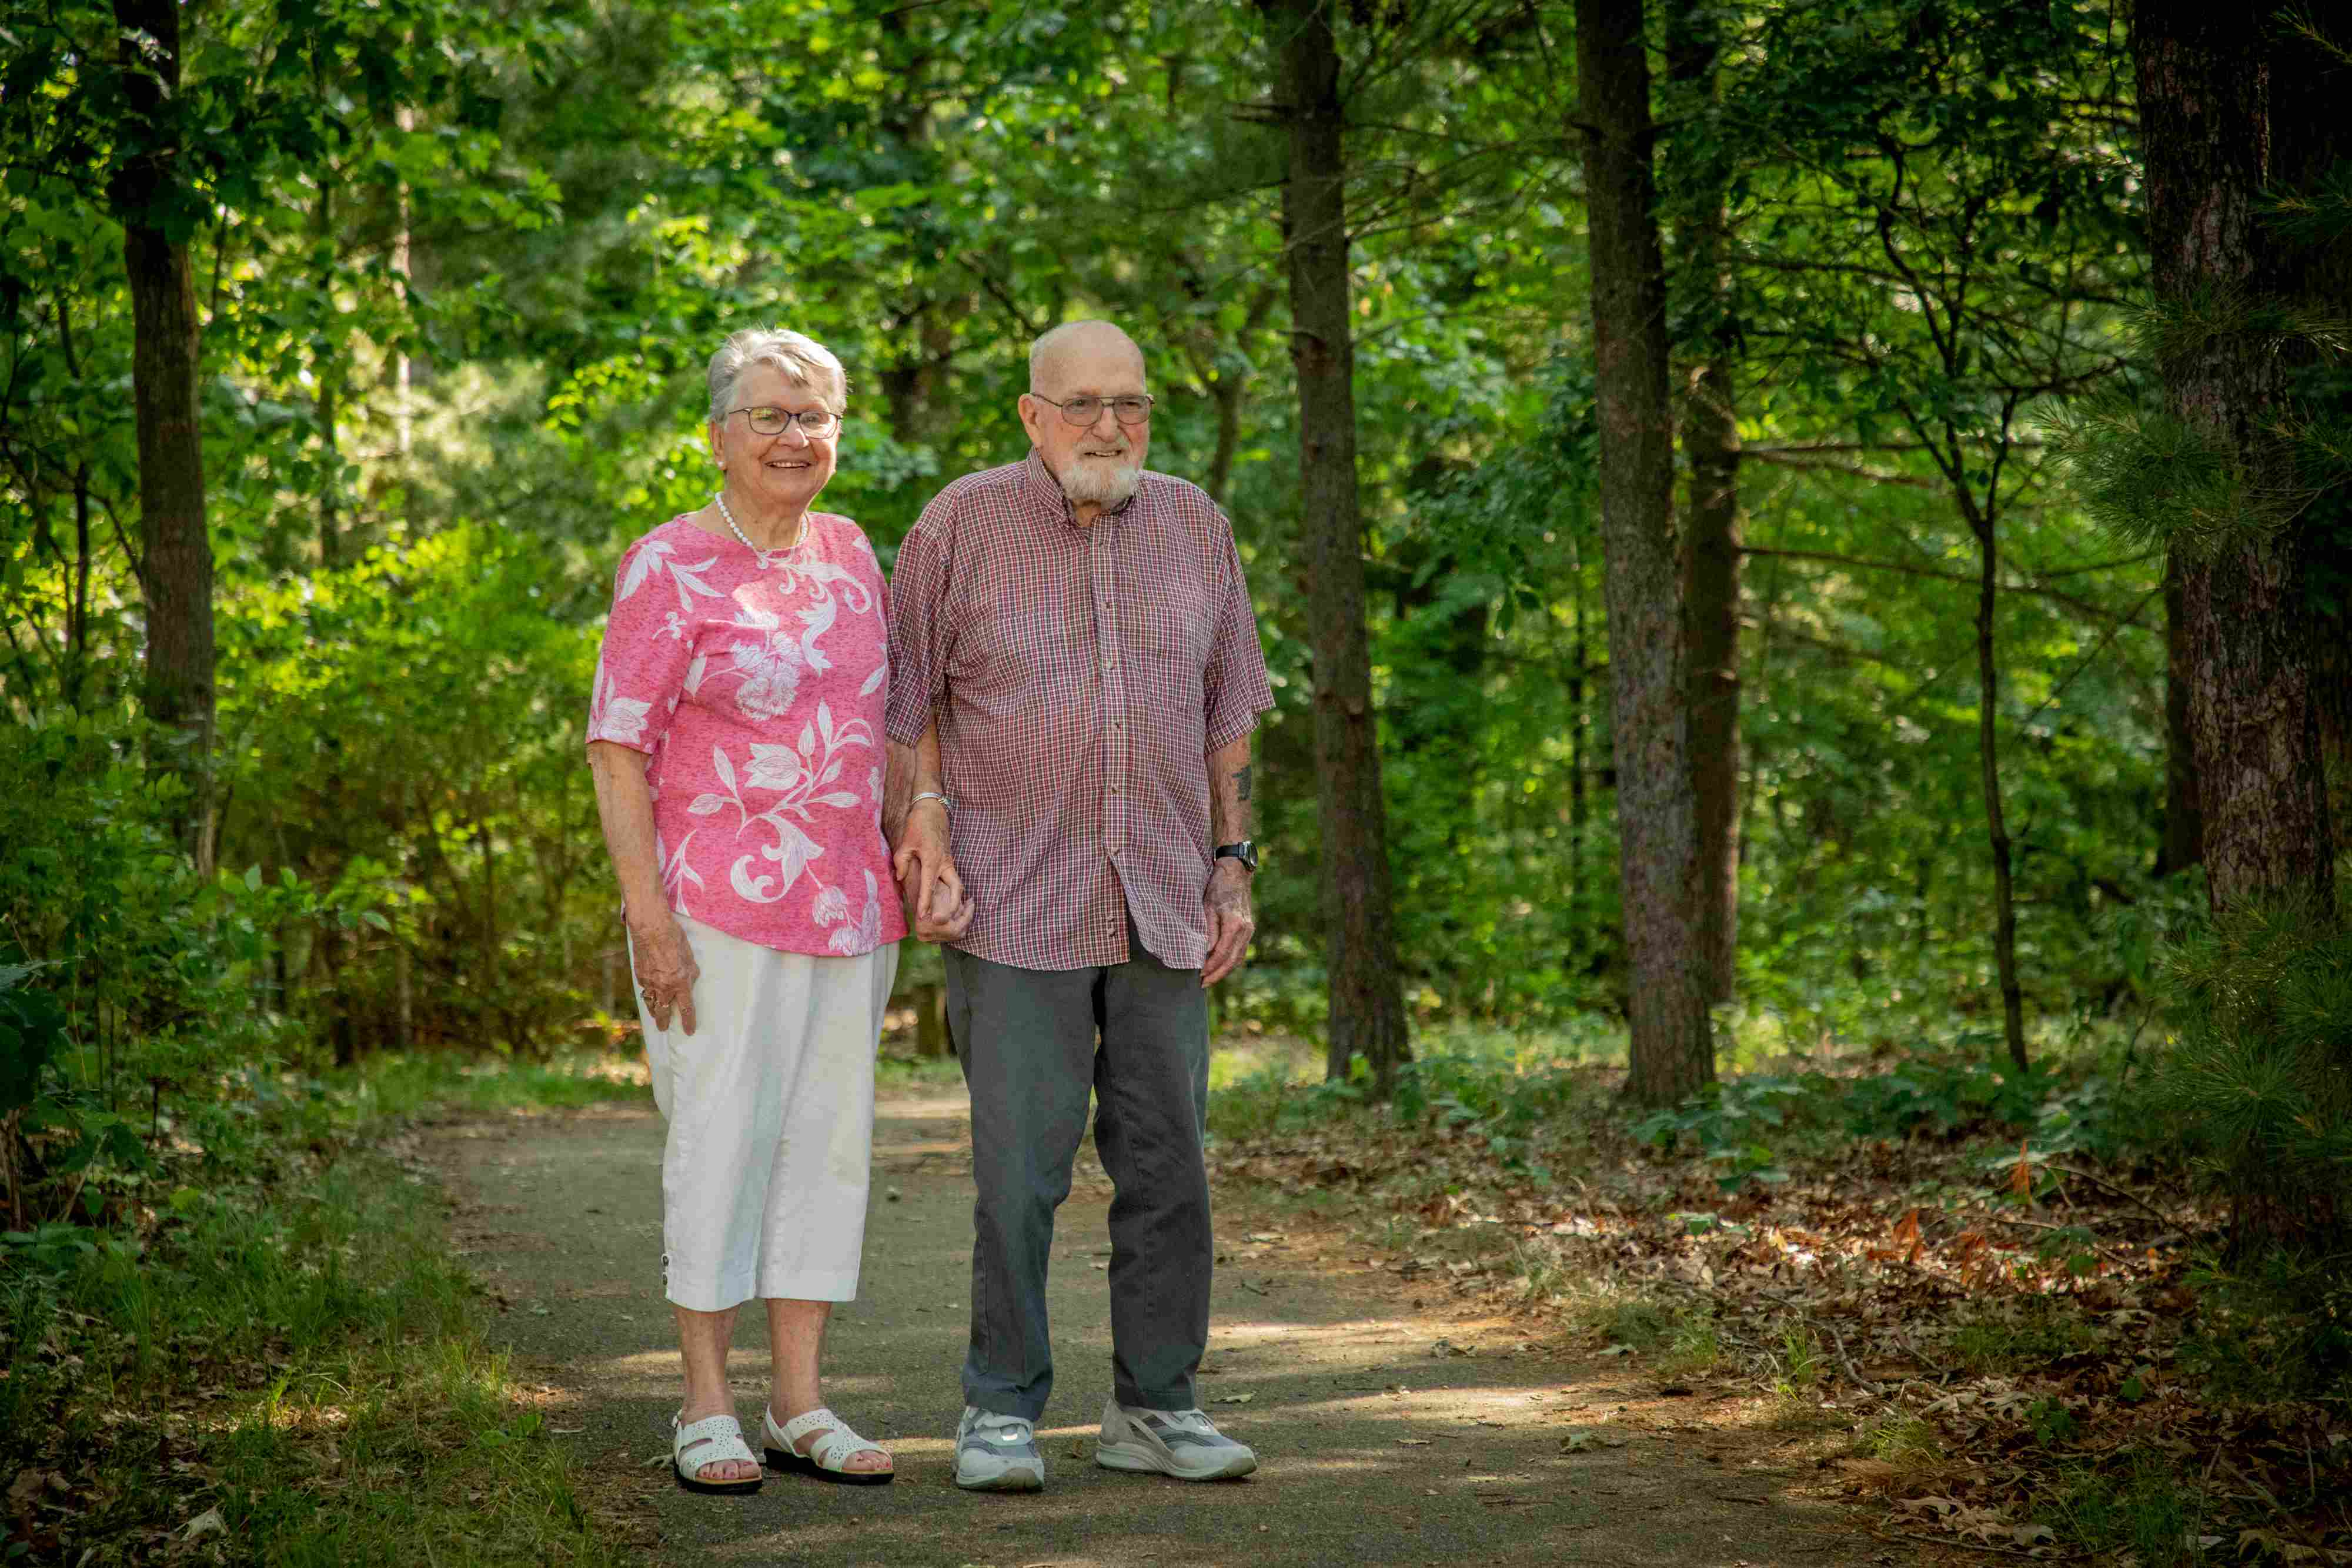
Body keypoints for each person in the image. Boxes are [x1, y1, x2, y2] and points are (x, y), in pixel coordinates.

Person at [884, 319, 1275, 1492]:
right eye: (1083, 403)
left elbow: (1229, 708)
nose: (1110, 426)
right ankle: (999, 1408)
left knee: (1170, 1167)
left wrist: (1233, 858)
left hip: (1162, 896)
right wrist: (926, 819)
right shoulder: (959, 523)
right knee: (1018, 1175)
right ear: (1030, 414)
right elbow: (909, 705)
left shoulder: (1196, 524)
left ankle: (1154, 1405)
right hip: (1011, 902)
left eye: (1131, 403)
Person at [586, 327, 964, 1496]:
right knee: (720, 1136)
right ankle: (704, 1402)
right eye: (770, 415)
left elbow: (902, 710)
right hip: (716, 904)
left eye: (814, 416)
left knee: (825, 1145)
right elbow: (615, 746)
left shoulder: (853, 551)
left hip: (849, 901)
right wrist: (646, 915)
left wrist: (926, 815)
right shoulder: (670, 564)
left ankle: (798, 1400)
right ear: (718, 435)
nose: (795, 436)